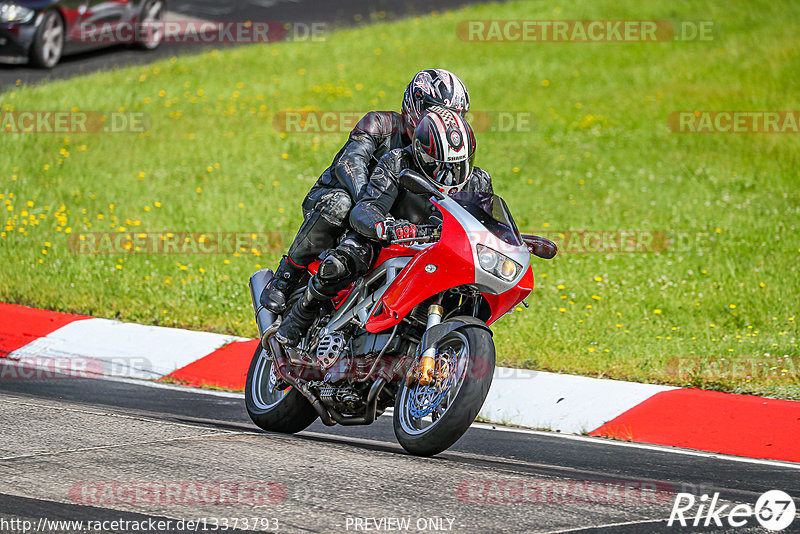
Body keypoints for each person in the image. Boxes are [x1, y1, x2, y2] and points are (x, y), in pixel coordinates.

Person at [275, 106, 493, 347]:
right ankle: (299, 315)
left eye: (459, 164)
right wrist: (388, 227)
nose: (450, 175)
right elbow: (365, 209)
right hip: (389, 242)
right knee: (345, 258)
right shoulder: (398, 162)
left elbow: (485, 225)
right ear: (422, 153)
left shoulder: (479, 181)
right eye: (438, 165)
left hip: (439, 249)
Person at [260, 69, 471, 314]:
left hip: (389, 215)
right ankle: (286, 275)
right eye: (436, 111)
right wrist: (369, 211)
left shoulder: (443, 147)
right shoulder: (379, 123)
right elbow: (351, 162)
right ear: (415, 107)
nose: (445, 120)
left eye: (455, 115)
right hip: (339, 200)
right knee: (340, 203)